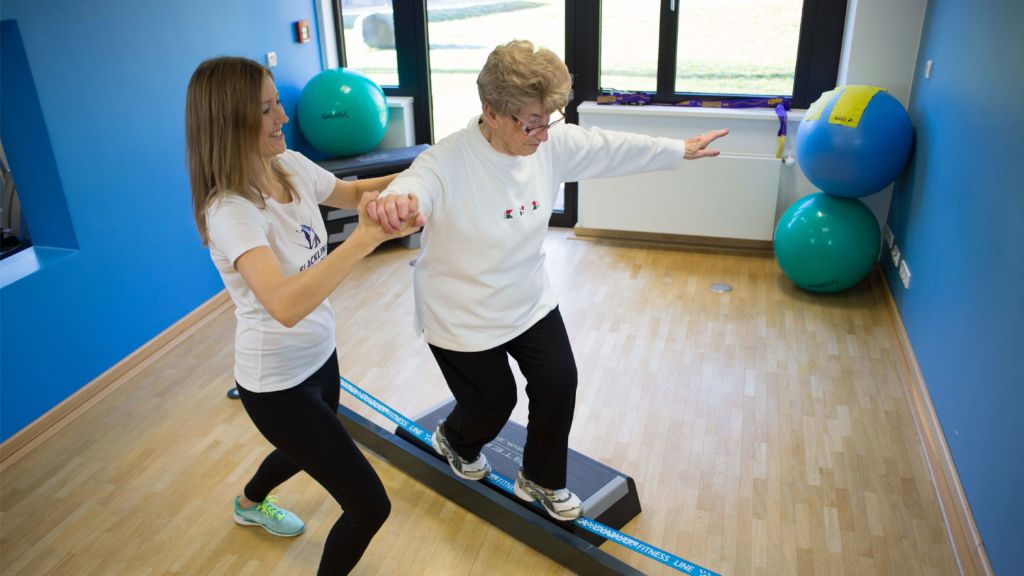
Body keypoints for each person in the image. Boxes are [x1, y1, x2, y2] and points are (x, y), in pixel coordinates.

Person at [368, 40, 728, 522]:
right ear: (491, 112)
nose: (543, 133)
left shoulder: (550, 143)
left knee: (559, 382)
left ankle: (538, 480)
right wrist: (398, 202)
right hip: (461, 310)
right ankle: (454, 439)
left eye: (549, 118)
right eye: (531, 122)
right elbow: (414, 187)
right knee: (494, 403)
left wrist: (676, 150)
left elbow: (609, 148)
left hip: (526, 295)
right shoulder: (446, 162)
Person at [185, 56, 422, 574]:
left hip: (320, 356)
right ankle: (254, 506)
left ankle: (248, 504)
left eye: (278, 105)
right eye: (268, 109)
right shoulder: (231, 211)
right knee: (368, 506)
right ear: (231, 123)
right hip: (275, 385)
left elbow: (355, 191)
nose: (284, 119)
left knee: (303, 449)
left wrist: (427, 170)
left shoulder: (287, 165)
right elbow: (286, 304)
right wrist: (365, 239)